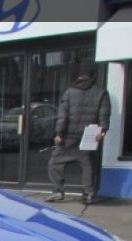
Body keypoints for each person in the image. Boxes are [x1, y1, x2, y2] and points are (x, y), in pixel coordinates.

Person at [47, 70, 111, 204]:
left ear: (79, 78)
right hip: (89, 136)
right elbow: (104, 114)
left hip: (68, 137)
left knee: (55, 163)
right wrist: (103, 130)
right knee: (88, 166)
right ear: (92, 77)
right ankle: (89, 194)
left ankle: (58, 191)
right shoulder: (101, 92)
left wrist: (59, 133)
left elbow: (62, 115)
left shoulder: (70, 92)